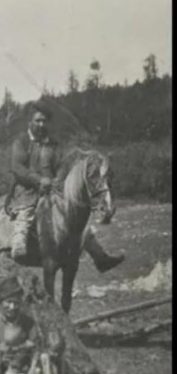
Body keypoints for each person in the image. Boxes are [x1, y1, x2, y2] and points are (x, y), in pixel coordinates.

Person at [8, 99, 124, 270]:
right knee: (25, 216)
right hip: (27, 190)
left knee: (76, 219)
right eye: (37, 120)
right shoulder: (22, 141)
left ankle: (100, 257)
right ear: (30, 122)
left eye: (44, 121)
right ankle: (18, 248)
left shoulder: (53, 143)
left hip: (52, 189)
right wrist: (38, 180)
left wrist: (58, 179)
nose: (41, 124)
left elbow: (61, 164)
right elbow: (17, 168)